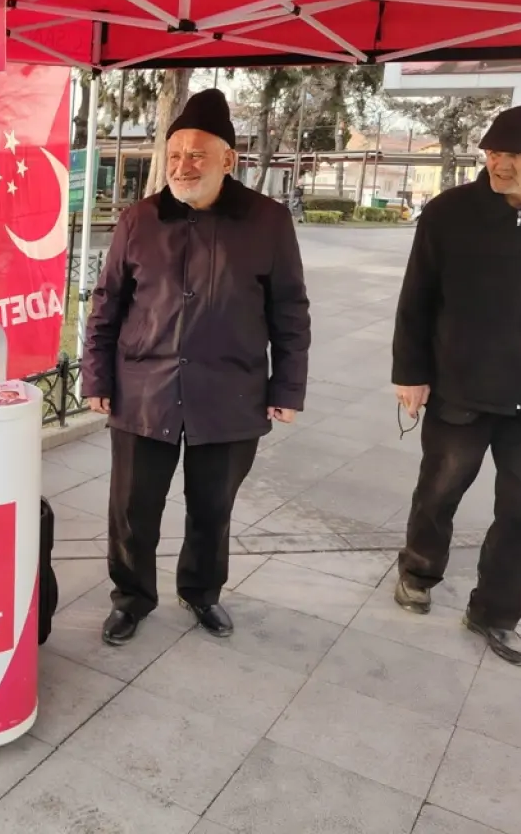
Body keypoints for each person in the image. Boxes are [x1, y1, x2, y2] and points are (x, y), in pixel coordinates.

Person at [81, 88, 311, 645]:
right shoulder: (140, 219)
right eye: (175, 153)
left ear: (228, 160)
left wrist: (288, 386)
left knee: (213, 507)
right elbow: (107, 301)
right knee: (133, 509)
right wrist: (96, 376)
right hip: (144, 389)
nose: (183, 165)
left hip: (230, 393)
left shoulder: (268, 221)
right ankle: (132, 596)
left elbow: (290, 309)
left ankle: (202, 592)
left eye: (197, 154)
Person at [392, 103, 521, 667]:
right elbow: (417, 300)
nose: (498, 165)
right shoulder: (448, 213)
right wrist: (410, 372)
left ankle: (496, 613)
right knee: (439, 491)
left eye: (513, 155)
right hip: (460, 386)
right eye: (492, 154)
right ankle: (418, 571)